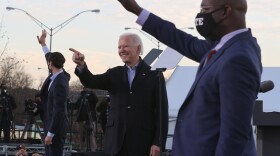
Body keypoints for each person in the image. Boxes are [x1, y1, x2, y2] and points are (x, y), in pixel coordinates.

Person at [118, 0, 262, 156]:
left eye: (205, 9)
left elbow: (234, 134)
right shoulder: (221, 48)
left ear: (226, 11)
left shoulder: (237, 58)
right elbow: (181, 40)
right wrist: (136, 10)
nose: (201, 15)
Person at [70, 33, 169, 156]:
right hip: (115, 142)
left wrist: (158, 142)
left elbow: (162, 112)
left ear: (138, 48)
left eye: (125, 46)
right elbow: (91, 81)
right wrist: (81, 65)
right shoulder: (114, 74)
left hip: (143, 142)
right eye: (119, 47)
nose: (121, 50)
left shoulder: (154, 75)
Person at [37, 30, 70, 156]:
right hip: (50, 124)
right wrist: (43, 44)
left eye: (49, 62)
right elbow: (49, 56)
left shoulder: (60, 84)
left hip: (55, 129)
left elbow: (59, 111)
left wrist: (50, 134)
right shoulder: (60, 74)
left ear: (50, 64)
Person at [75, 87, 98, 151]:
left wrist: (91, 92)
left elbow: (96, 100)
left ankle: (93, 152)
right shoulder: (81, 97)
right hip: (81, 120)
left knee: (92, 136)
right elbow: (76, 106)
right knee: (82, 137)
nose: (85, 89)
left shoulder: (92, 96)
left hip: (90, 120)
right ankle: (82, 151)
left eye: (87, 88)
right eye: (84, 88)